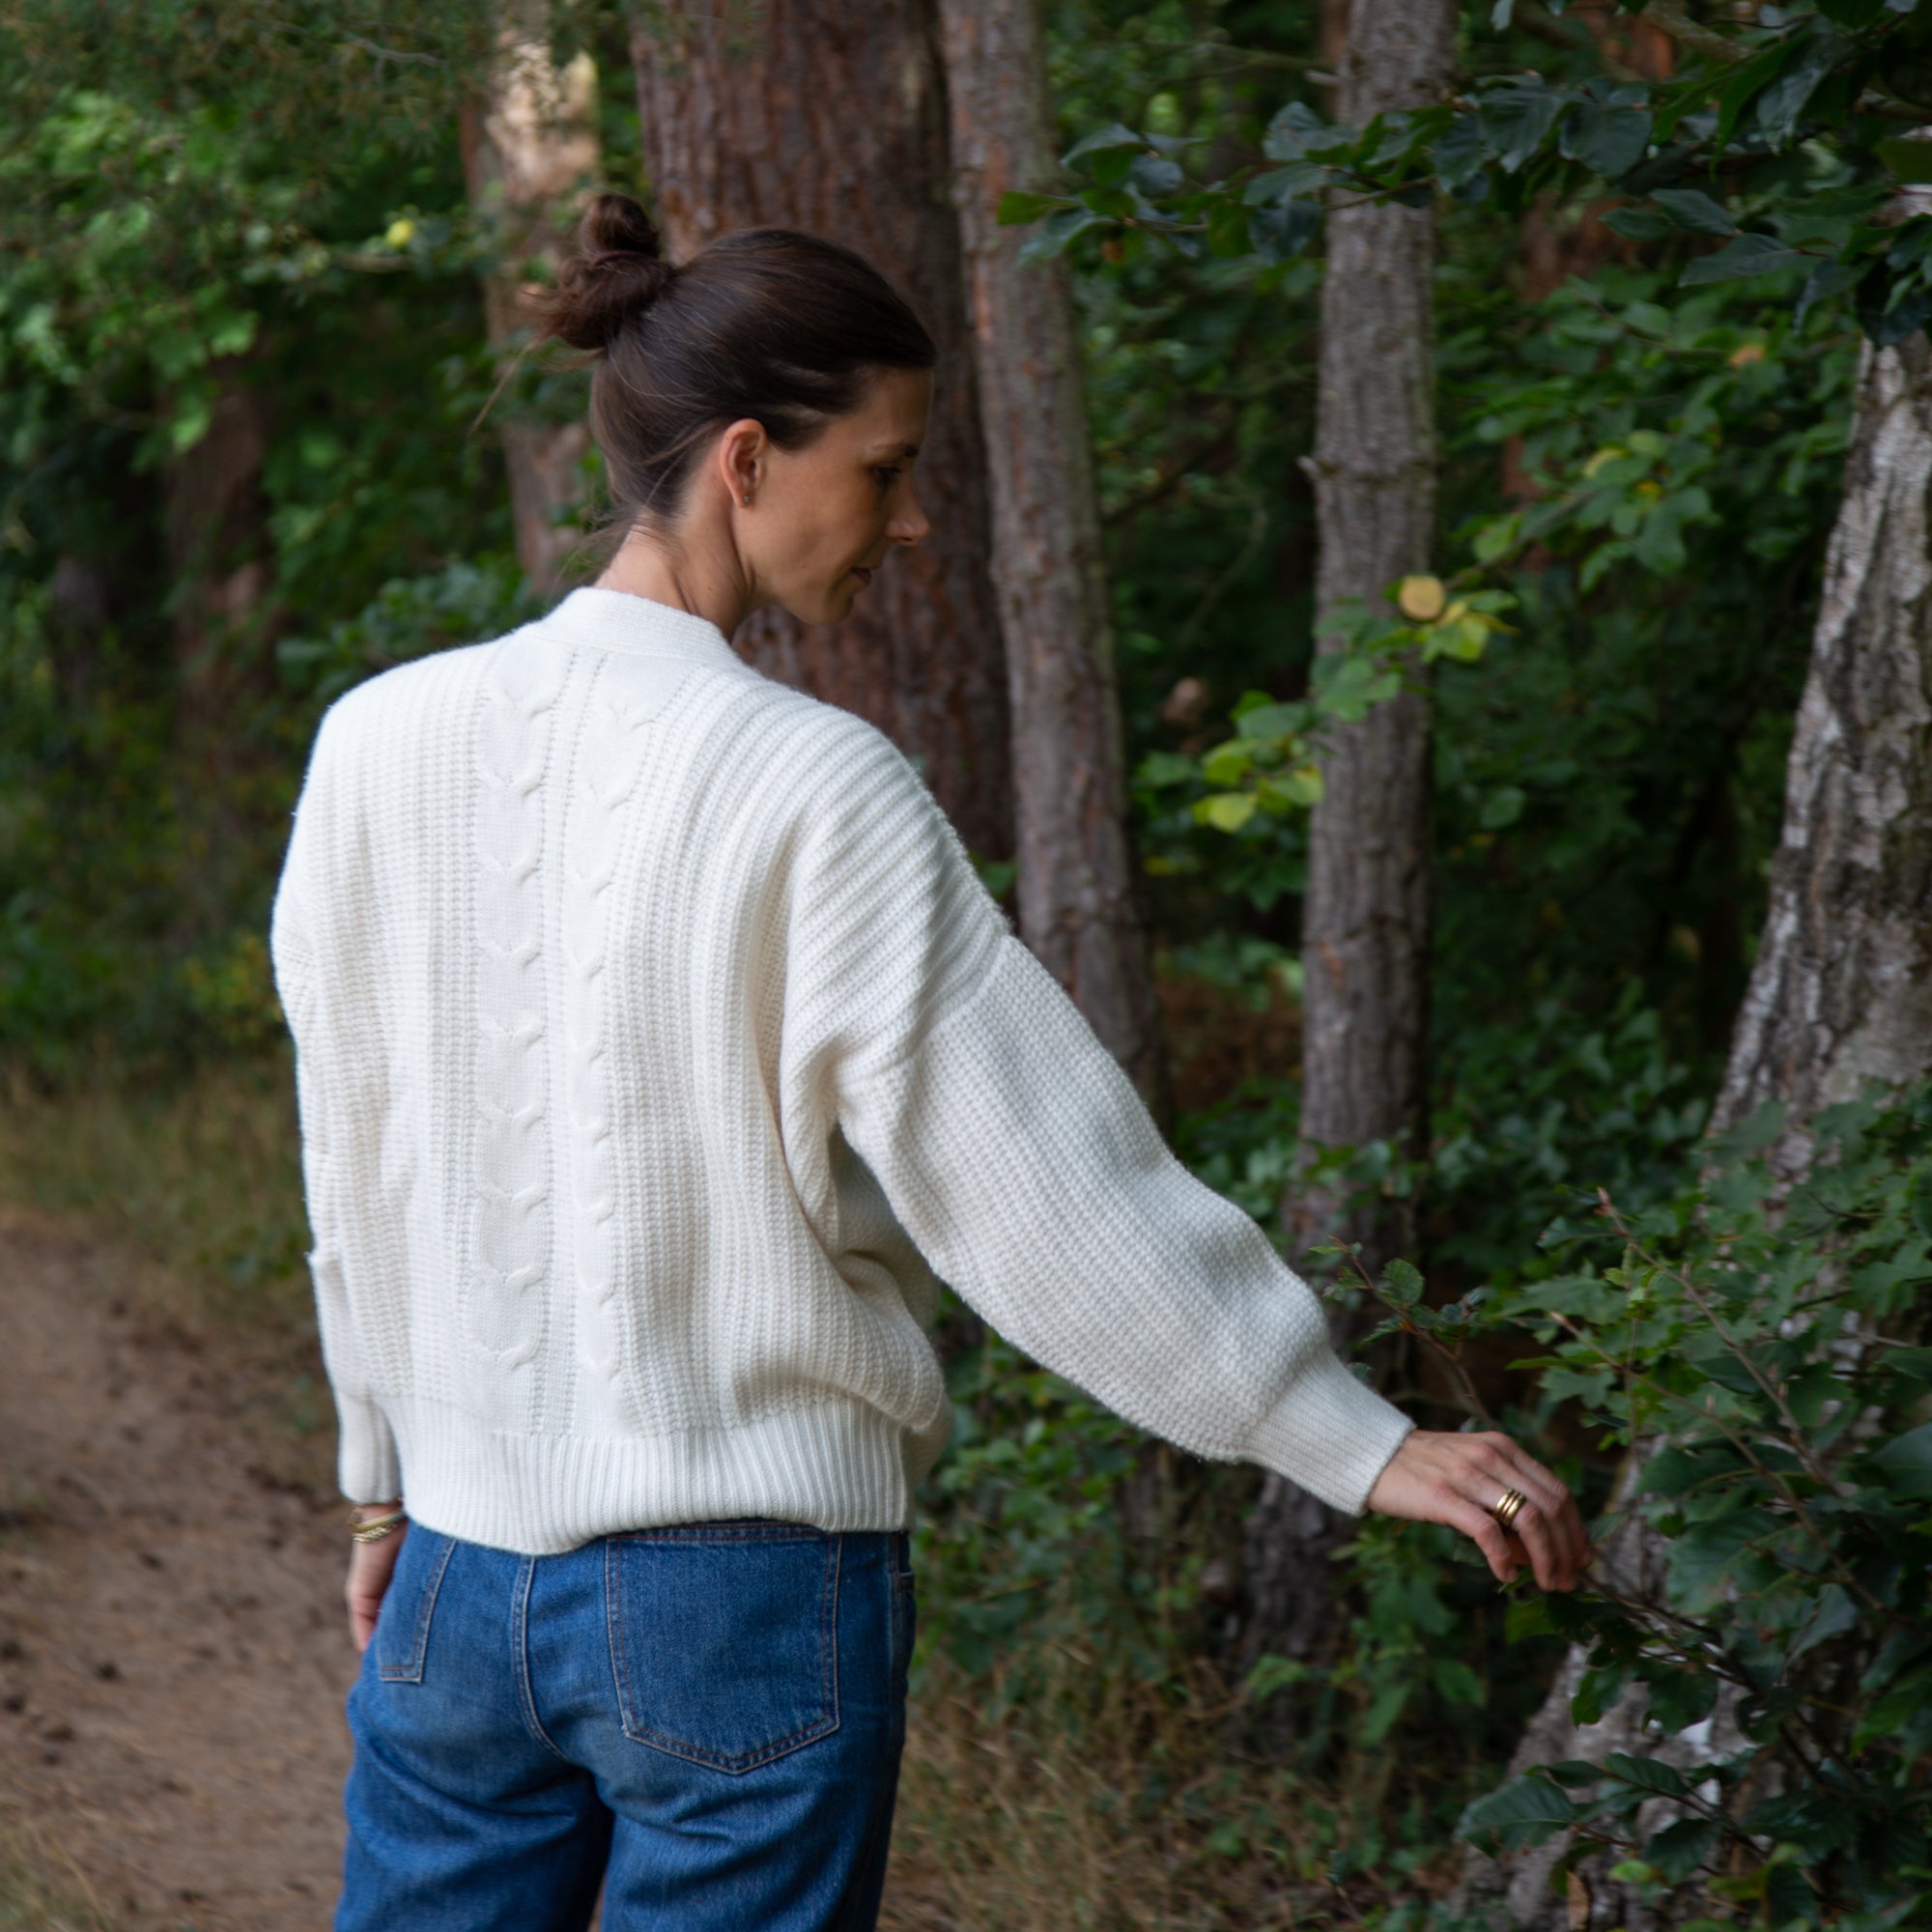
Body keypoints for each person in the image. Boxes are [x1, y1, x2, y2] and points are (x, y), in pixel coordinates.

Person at [270, 192, 1588, 1932]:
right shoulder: (813, 786)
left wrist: (380, 1486)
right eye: (881, 473)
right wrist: (1341, 1434)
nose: (902, 524)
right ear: (745, 458)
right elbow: (1035, 1176)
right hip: (741, 1603)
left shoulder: (375, 747)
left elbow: (351, 1169)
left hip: (448, 1577)